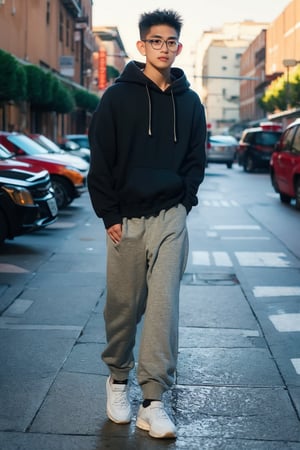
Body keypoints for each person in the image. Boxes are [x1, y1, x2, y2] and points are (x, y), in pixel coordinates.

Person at [88, 8, 206, 439]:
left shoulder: (190, 102)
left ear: (179, 47)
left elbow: (196, 158)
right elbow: (100, 158)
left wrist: (185, 200)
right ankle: (117, 379)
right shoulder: (117, 98)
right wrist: (110, 213)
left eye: (171, 42)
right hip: (127, 219)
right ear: (142, 46)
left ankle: (153, 400)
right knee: (123, 308)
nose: (164, 48)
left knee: (163, 308)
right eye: (156, 41)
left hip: (171, 215)